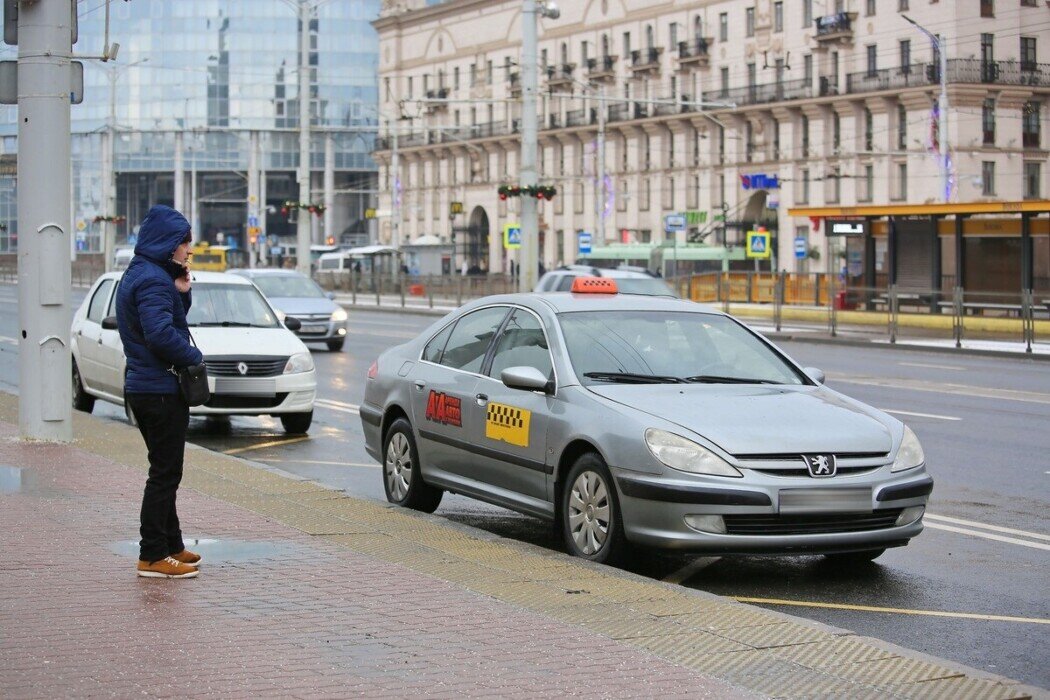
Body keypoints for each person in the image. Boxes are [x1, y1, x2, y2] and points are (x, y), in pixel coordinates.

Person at [116, 205, 204, 579]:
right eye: (184, 243)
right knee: (165, 474)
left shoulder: (143, 273)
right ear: (167, 243)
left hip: (146, 386)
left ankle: (171, 544)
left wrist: (180, 291)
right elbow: (160, 335)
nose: (188, 250)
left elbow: (164, 319)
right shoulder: (152, 280)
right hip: (159, 389)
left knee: (164, 470)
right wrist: (195, 357)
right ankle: (152, 555)